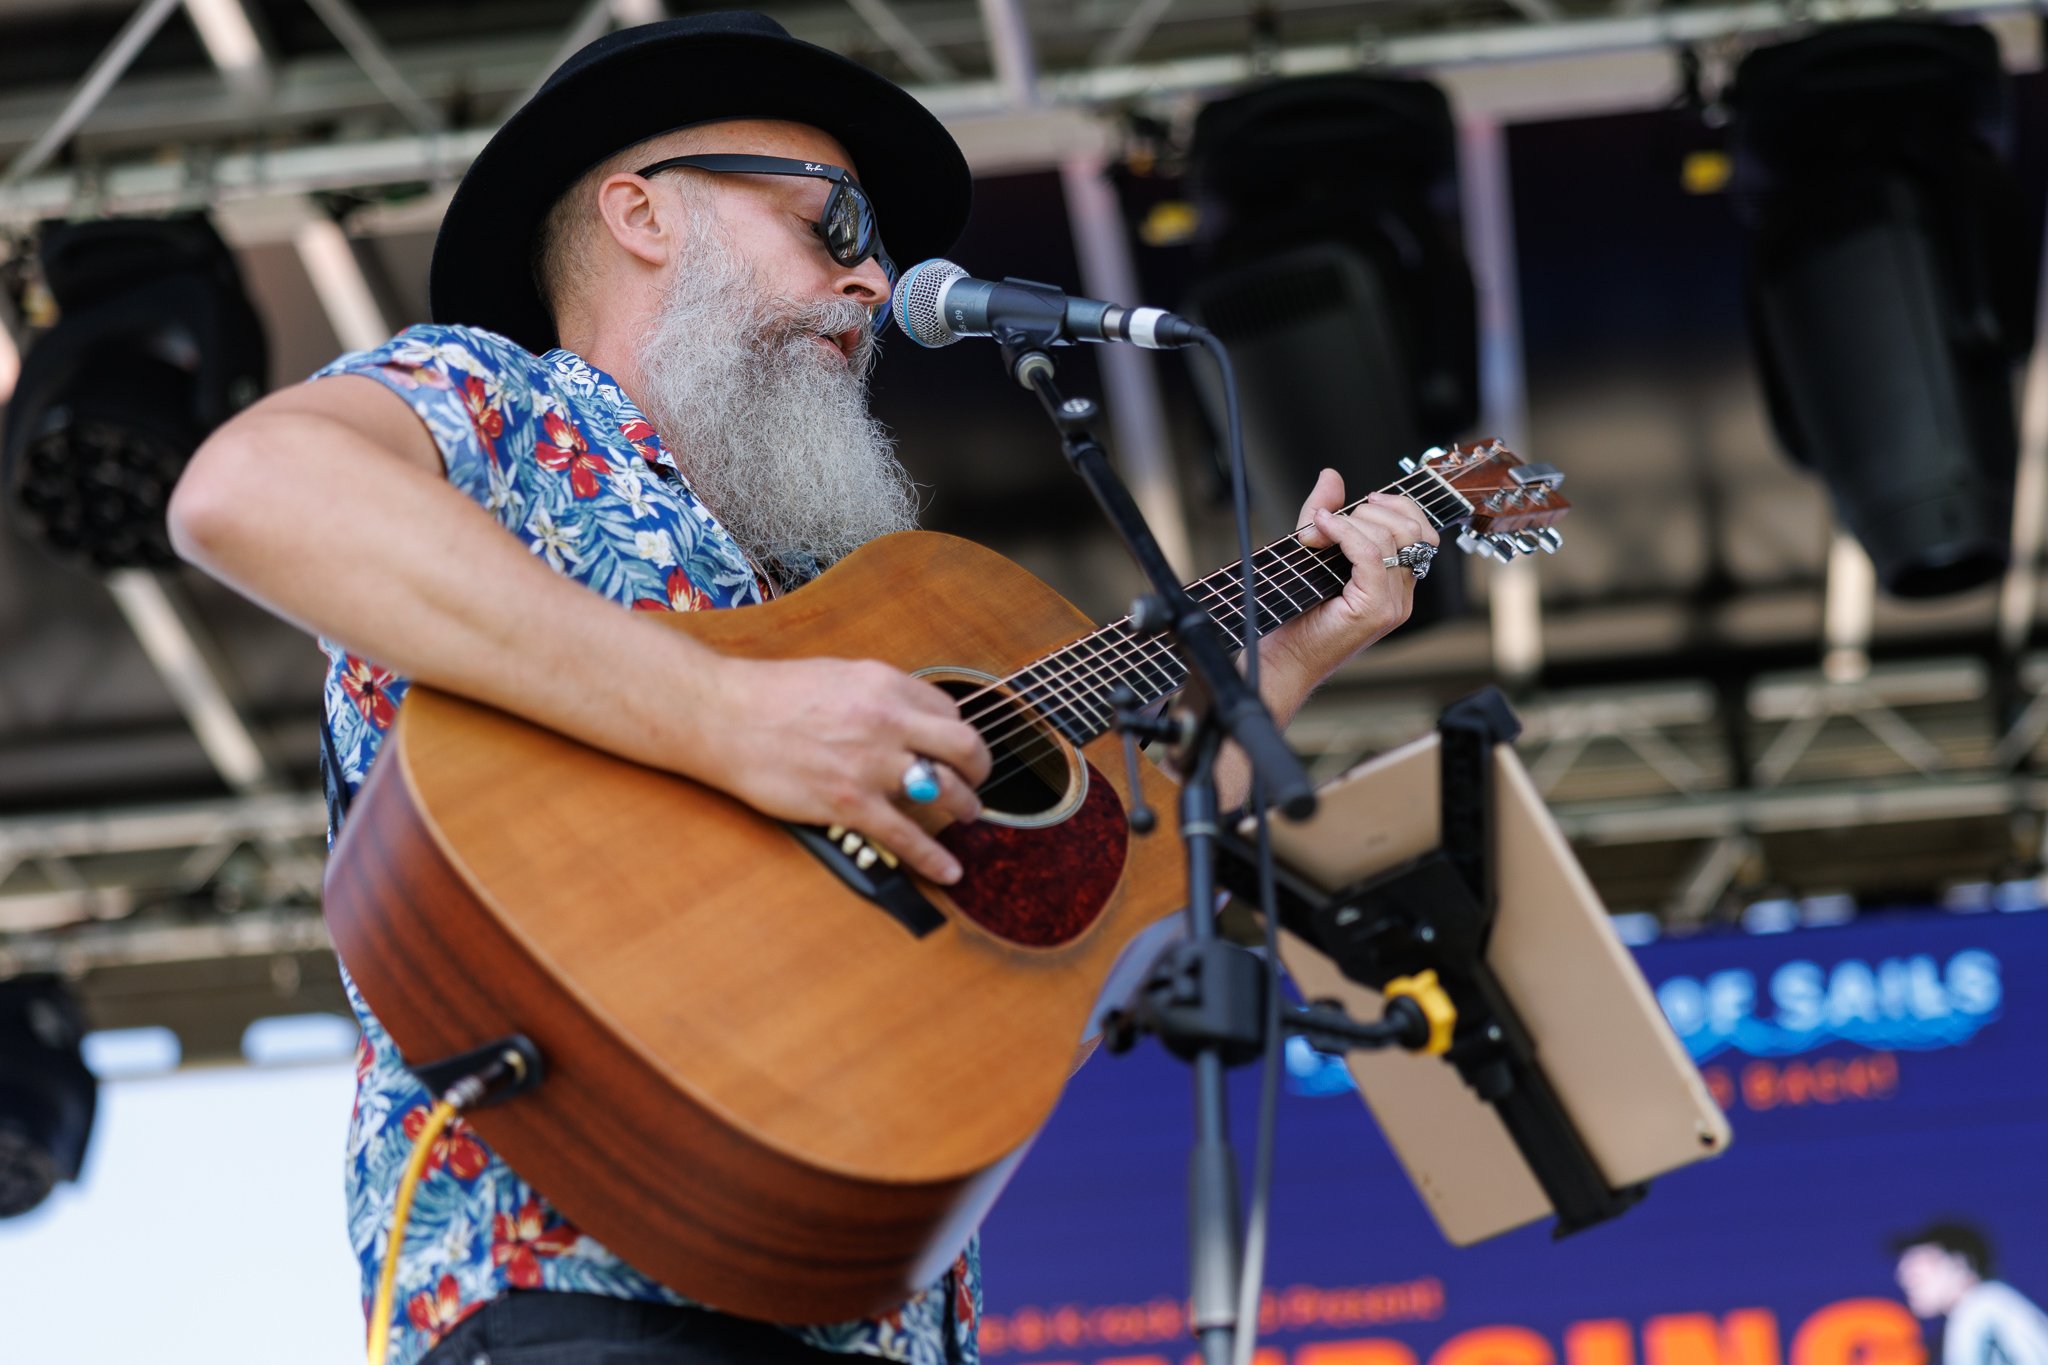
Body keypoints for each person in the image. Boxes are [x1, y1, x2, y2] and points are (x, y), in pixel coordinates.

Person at [166, 12, 1441, 1365]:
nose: (875, 280)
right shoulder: (503, 409)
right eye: (834, 224)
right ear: (643, 213)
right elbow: (252, 490)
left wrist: (1281, 668)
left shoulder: (863, 603)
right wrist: (731, 719)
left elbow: (1075, 932)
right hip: (584, 1306)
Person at [1895, 1222, 2048, 1365]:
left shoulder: (1982, 1304)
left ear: (1959, 1263)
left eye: (1916, 1265)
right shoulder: (1982, 1306)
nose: (1905, 1278)